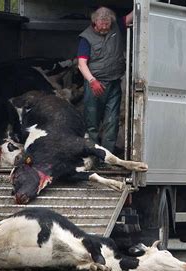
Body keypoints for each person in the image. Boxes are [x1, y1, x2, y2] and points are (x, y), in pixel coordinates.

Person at [77, 7, 133, 158]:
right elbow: (81, 64)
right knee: (92, 122)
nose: (105, 27)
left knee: (112, 121)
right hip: (94, 85)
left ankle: (107, 157)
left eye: (107, 24)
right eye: (102, 24)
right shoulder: (86, 38)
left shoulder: (115, 26)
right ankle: (93, 156)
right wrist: (92, 80)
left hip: (114, 82)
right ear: (95, 22)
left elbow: (131, 16)